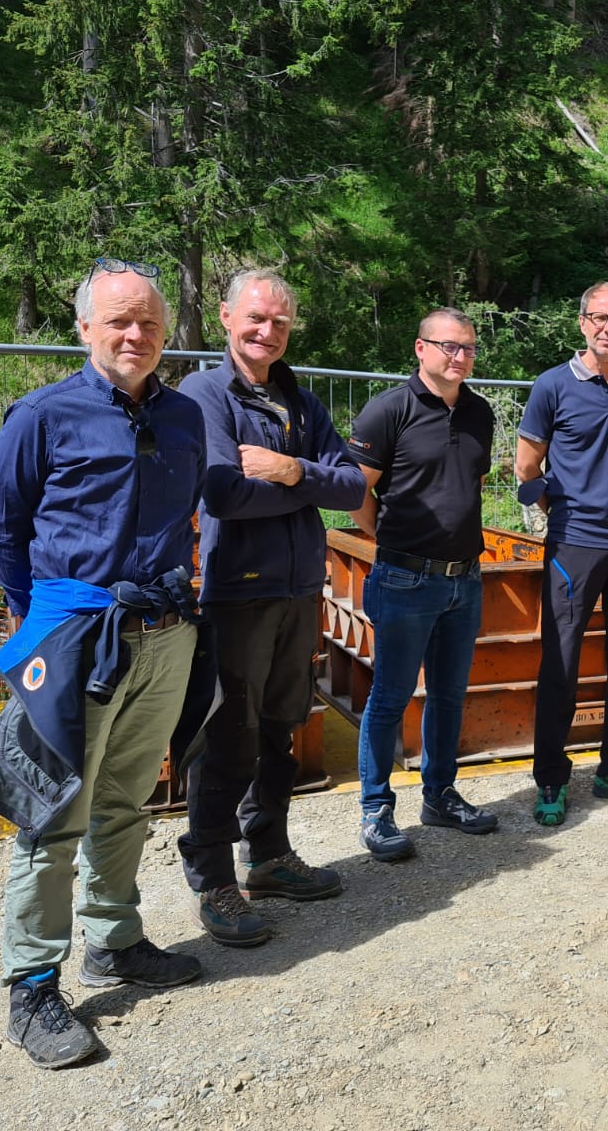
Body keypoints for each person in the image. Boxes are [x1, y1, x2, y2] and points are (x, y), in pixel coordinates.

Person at [0, 258, 208, 1069]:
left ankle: (114, 939)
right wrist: (43, 623)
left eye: (147, 320)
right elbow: (2, 533)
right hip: (75, 636)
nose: (135, 334)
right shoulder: (43, 416)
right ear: (84, 329)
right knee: (50, 812)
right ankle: (32, 985)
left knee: (126, 799)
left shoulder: (185, 416)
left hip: (164, 633)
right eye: (118, 320)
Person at [176, 269, 366, 945]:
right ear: (227, 316)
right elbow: (225, 492)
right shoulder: (205, 393)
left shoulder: (300, 401)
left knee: (282, 727)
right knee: (228, 734)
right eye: (256, 318)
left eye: (280, 323)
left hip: (295, 590)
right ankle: (213, 876)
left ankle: (269, 855)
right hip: (239, 591)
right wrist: (307, 486)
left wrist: (291, 472)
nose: (266, 332)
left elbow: (348, 489)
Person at [515, 281, 608, 827]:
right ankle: (552, 779)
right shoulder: (552, 386)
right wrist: (565, 502)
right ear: (582, 322)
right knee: (562, 662)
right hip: (573, 544)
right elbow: (526, 467)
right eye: (600, 318)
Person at [350, 309, 498, 860]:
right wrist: (391, 539)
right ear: (420, 348)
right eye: (447, 347)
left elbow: (469, 483)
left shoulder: (480, 413)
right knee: (388, 697)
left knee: (449, 696)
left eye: (467, 349)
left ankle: (438, 795)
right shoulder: (389, 410)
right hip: (405, 578)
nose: (458, 357)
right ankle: (376, 811)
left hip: (465, 579)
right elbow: (358, 492)